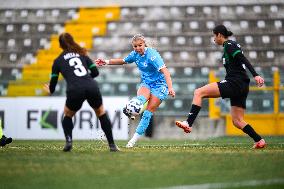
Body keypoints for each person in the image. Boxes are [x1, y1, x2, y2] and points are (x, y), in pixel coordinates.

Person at [175, 25, 266, 149]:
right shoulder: (229, 46)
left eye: (214, 36)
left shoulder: (229, 45)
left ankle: (188, 123)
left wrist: (256, 75)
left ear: (219, 35)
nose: (213, 39)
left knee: (198, 92)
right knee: (237, 121)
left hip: (235, 82)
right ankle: (259, 140)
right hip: (242, 85)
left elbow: (242, 58)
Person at [96, 34, 175, 148]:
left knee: (147, 113)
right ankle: (131, 111)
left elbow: (166, 72)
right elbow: (123, 61)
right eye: (135, 46)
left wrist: (170, 87)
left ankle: (133, 140)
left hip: (160, 85)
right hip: (146, 83)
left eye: (140, 45)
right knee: (139, 101)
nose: (138, 48)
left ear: (144, 44)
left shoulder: (153, 55)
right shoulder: (135, 55)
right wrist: (106, 62)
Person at [43, 33, 119, 152]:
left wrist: (50, 90)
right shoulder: (81, 53)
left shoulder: (58, 60)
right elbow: (95, 72)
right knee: (101, 113)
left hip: (75, 89)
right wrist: (85, 79)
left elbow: (53, 81)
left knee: (68, 115)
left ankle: (69, 141)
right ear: (72, 41)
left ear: (60, 45)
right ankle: (112, 145)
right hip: (91, 86)